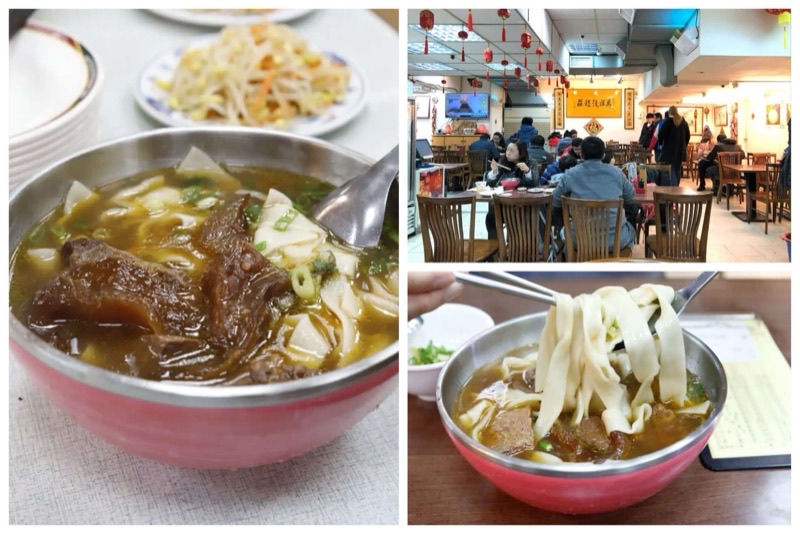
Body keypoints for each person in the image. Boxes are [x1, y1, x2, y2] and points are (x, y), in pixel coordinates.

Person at [552, 136, 636, 251]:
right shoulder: (617, 173)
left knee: (564, 232)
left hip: (579, 240)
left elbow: (555, 200)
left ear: (581, 155)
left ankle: (569, 256)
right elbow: (630, 196)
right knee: (631, 229)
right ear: (603, 155)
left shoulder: (570, 174)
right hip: (614, 241)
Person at [483, 140, 537, 238]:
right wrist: (494, 172)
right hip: (503, 202)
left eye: (511, 151)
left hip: (523, 204)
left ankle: (518, 243)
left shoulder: (531, 162)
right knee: (490, 217)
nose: (508, 153)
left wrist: (527, 171)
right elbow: (490, 184)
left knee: (524, 217)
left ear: (521, 152)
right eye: (507, 150)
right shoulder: (503, 161)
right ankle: (495, 244)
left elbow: (534, 183)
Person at [657, 106, 691, 185]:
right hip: (680, 150)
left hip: (669, 150)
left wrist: (661, 144)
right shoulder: (683, 122)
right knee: (677, 169)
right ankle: (677, 186)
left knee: (671, 170)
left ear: (669, 112)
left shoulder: (668, 122)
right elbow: (688, 136)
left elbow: (661, 134)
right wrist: (684, 145)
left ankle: (674, 187)